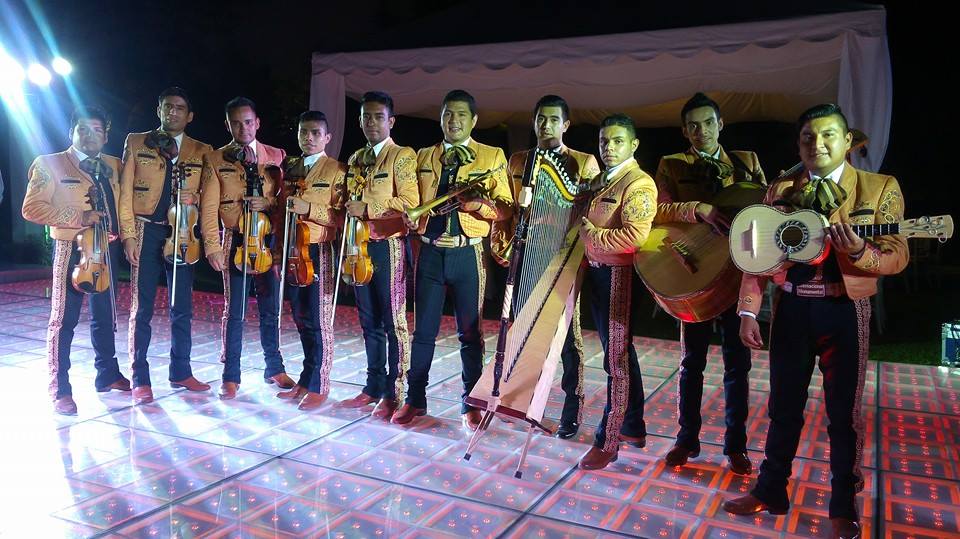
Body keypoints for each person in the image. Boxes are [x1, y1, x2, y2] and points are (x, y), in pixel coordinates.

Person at [723, 104, 909, 539]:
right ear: (799, 143)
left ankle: (843, 503)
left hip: (844, 310)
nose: (817, 144)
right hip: (790, 310)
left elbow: (897, 252)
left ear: (847, 141)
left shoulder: (878, 188)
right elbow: (757, 254)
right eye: (808, 136)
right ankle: (771, 489)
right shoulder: (782, 188)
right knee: (782, 408)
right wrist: (749, 309)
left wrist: (860, 253)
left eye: (828, 135)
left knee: (844, 414)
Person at [653, 92, 766, 474]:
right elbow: (656, 209)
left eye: (708, 123)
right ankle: (687, 440)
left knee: (738, 365)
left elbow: (766, 208)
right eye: (693, 125)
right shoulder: (671, 164)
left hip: (737, 275)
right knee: (691, 362)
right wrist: (697, 209)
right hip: (695, 273)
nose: (701, 131)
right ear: (685, 131)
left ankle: (736, 446)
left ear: (721, 124)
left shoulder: (746, 162)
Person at [394, 90, 513, 430]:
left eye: (461, 115)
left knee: (470, 334)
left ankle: (470, 402)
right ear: (441, 118)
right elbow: (412, 200)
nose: (454, 120)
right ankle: (415, 399)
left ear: (474, 120)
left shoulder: (491, 156)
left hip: (467, 252)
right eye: (448, 114)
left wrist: (476, 205)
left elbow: (505, 208)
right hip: (430, 251)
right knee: (423, 332)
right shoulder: (423, 156)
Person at [22, 105, 131, 415]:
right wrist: (78, 216)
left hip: (107, 250)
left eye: (97, 130)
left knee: (105, 317)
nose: (90, 136)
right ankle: (60, 389)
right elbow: (32, 209)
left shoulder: (114, 164)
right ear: (72, 132)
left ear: (106, 135)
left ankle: (107, 374)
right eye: (83, 129)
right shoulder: (49, 164)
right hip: (72, 248)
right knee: (63, 320)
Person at [119, 87, 214, 404]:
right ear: (158, 109)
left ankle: (181, 371)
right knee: (141, 307)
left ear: (190, 116)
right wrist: (129, 234)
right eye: (167, 107)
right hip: (146, 231)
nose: (173, 112)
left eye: (180, 108)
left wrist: (195, 198)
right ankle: (139, 378)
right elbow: (124, 193)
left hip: (183, 233)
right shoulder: (136, 141)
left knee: (182, 307)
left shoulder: (203, 150)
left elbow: (209, 194)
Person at [199, 96, 294, 400]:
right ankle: (230, 375)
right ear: (228, 125)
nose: (243, 128)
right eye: (236, 123)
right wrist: (213, 246)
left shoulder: (276, 156)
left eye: (248, 122)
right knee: (235, 310)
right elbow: (209, 206)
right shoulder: (216, 159)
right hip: (235, 241)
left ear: (258, 123)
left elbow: (286, 202)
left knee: (271, 308)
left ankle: (274, 367)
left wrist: (269, 203)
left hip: (268, 241)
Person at [577, 114, 656, 470]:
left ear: (634, 145)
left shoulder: (638, 183)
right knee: (620, 353)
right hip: (596, 275)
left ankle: (608, 442)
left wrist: (590, 235)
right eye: (604, 141)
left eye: (617, 141)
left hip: (618, 277)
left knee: (616, 362)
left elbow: (633, 238)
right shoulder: (599, 181)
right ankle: (634, 426)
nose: (609, 148)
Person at [337, 91, 419, 420]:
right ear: (359, 121)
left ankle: (394, 392)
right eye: (366, 117)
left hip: (388, 246)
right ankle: (372, 386)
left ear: (391, 121)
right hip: (358, 247)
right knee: (368, 320)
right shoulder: (356, 158)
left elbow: (410, 202)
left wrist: (370, 208)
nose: (372, 122)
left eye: (378, 117)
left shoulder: (401, 156)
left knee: (392, 322)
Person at [275, 111, 347, 410]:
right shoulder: (291, 168)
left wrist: (310, 208)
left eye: (316, 133)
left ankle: (320, 383)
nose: (309, 137)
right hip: (293, 249)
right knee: (301, 319)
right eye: (304, 132)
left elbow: (341, 216)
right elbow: (281, 213)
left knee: (319, 320)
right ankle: (306, 378)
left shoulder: (337, 170)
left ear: (327, 137)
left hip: (319, 249)